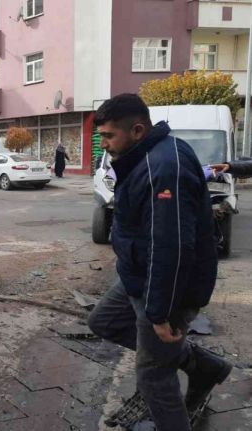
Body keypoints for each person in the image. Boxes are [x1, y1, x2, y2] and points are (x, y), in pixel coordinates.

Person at [86, 94, 232, 431]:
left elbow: (172, 247)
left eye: (109, 136)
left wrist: (161, 313)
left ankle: (186, 376)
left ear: (137, 130)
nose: (104, 145)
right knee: (104, 321)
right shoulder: (147, 155)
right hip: (140, 276)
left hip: (166, 287)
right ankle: (203, 366)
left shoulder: (162, 167)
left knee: (154, 375)